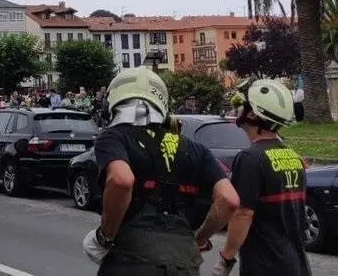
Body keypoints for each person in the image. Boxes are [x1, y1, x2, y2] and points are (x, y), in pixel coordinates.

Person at [83, 68, 239, 275]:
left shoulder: (114, 137)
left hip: (132, 260)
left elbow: (121, 181)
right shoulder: (193, 147)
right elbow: (229, 200)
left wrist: (105, 236)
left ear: (113, 103)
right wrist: (198, 239)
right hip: (184, 263)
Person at [214, 78, 311, 276]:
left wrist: (227, 258)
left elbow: (243, 213)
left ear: (252, 114)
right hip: (296, 264)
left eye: (243, 104)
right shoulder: (293, 157)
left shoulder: (250, 158)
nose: (238, 108)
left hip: (265, 265)